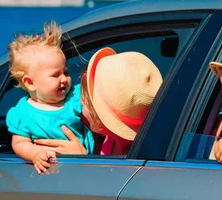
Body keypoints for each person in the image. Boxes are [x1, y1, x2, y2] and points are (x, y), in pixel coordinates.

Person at [34, 47, 163, 156]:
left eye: (84, 97)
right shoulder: (111, 140)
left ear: (99, 113)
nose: (79, 101)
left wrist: (81, 159)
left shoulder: (131, 159)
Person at [5, 21, 95, 173]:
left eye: (65, 72)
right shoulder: (22, 114)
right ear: (30, 82)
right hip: (53, 174)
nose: (64, 79)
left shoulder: (75, 96)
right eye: (55, 75)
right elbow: (20, 143)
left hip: (87, 166)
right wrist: (35, 153)